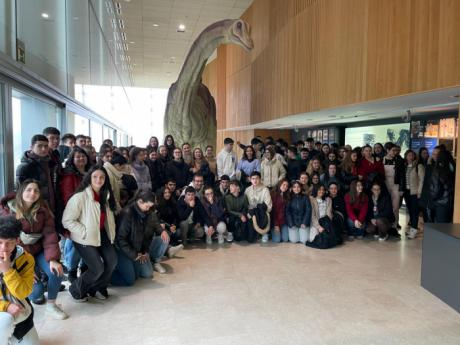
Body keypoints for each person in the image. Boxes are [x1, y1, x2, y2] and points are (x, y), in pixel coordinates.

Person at [0, 180, 67, 320]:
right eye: (28, 190)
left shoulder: (43, 210)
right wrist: (28, 271)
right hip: (19, 255)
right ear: (21, 192)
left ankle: (51, 305)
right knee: (35, 292)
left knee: (56, 271)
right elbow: (11, 242)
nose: (32, 193)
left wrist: (53, 259)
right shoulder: (8, 211)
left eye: (36, 190)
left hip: (39, 250)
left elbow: (49, 234)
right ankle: (39, 291)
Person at [62, 166, 118, 302]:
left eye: (102, 177)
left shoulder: (107, 196)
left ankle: (98, 288)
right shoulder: (80, 197)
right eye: (95, 177)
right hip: (83, 238)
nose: (98, 180)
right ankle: (75, 289)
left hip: (101, 234)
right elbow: (67, 220)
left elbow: (110, 217)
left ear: (105, 180)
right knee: (97, 268)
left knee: (112, 261)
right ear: (89, 178)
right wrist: (84, 232)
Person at [111, 190, 169, 285]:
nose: (148, 209)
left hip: (137, 250)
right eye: (147, 206)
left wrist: (144, 252)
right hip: (122, 250)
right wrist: (134, 255)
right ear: (140, 201)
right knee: (129, 280)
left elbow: (150, 230)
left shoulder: (147, 212)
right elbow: (120, 239)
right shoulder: (127, 213)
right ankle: (103, 277)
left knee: (143, 274)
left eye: (150, 207)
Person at [0, 216, 39, 345]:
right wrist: (5, 307)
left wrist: (7, 271)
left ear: (17, 240)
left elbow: (23, 293)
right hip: (3, 313)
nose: (4, 248)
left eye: (9, 242)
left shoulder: (26, 259)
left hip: (20, 311)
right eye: (0, 242)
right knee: (5, 322)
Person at [59, 147, 91, 282]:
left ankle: (84, 269)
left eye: (83, 156)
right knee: (75, 246)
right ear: (72, 159)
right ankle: (72, 271)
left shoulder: (91, 172)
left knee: (89, 244)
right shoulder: (68, 175)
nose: (81, 159)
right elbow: (68, 197)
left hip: (90, 214)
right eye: (78, 157)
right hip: (75, 215)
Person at [16, 135, 58, 213]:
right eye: (40, 146)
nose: (44, 149)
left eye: (46, 146)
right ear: (31, 147)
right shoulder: (24, 167)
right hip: (35, 209)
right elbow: (21, 193)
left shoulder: (50, 163)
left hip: (51, 206)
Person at [420, 147, 455, 223]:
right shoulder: (451, 166)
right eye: (433, 154)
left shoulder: (438, 168)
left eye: (437, 154)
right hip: (447, 202)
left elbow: (434, 189)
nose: (434, 156)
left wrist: (431, 199)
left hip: (437, 202)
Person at [244, 171, 272, 243]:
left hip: (262, 213)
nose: (255, 180)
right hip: (251, 213)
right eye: (253, 179)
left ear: (260, 179)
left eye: (257, 178)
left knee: (262, 210)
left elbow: (269, 206)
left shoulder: (265, 190)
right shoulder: (247, 190)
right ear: (250, 179)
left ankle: (264, 233)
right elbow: (245, 204)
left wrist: (260, 210)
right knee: (250, 239)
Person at [402, 150, 425, 239]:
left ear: (414, 156)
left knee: (415, 212)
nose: (410, 157)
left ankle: (414, 230)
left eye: (412, 155)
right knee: (410, 211)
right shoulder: (405, 166)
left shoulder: (419, 166)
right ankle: (412, 228)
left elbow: (422, 180)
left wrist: (419, 192)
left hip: (415, 192)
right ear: (406, 156)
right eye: (408, 155)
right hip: (407, 192)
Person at [383, 143, 404, 232]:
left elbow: (402, 176)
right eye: (393, 150)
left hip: (396, 185)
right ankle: (385, 226)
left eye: (396, 150)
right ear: (387, 150)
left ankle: (394, 226)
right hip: (384, 185)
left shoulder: (399, 160)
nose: (395, 152)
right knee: (385, 207)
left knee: (395, 207)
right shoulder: (381, 160)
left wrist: (401, 189)